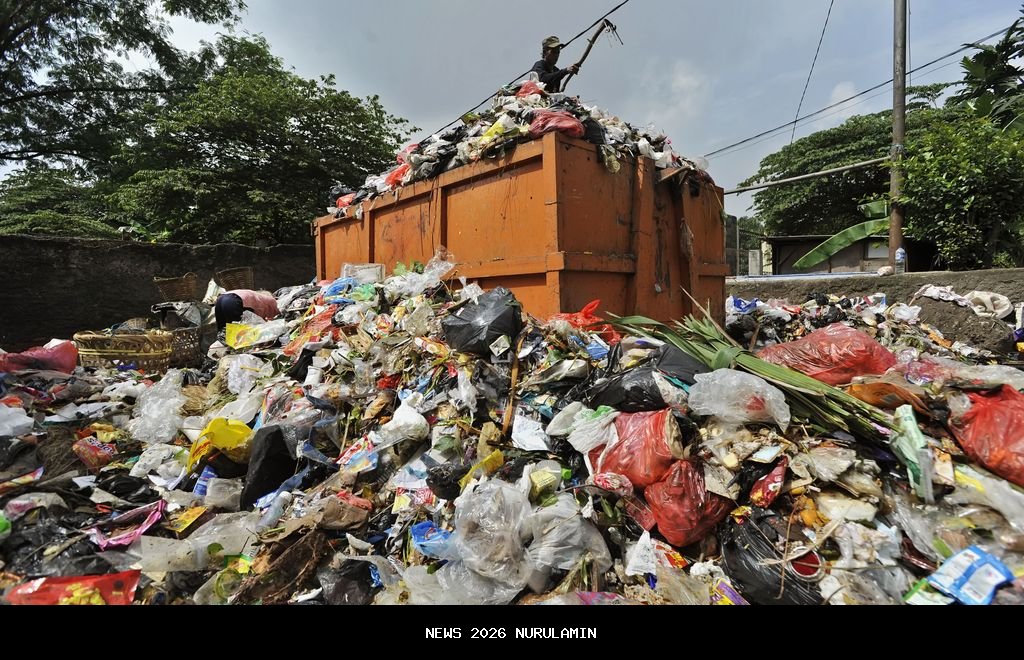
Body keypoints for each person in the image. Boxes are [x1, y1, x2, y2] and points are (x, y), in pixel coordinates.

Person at [214, 288, 279, 329]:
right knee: (238, 329)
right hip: (233, 300)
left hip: (220, 299)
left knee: (223, 329)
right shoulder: (271, 300)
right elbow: (257, 320)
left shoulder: (255, 296)